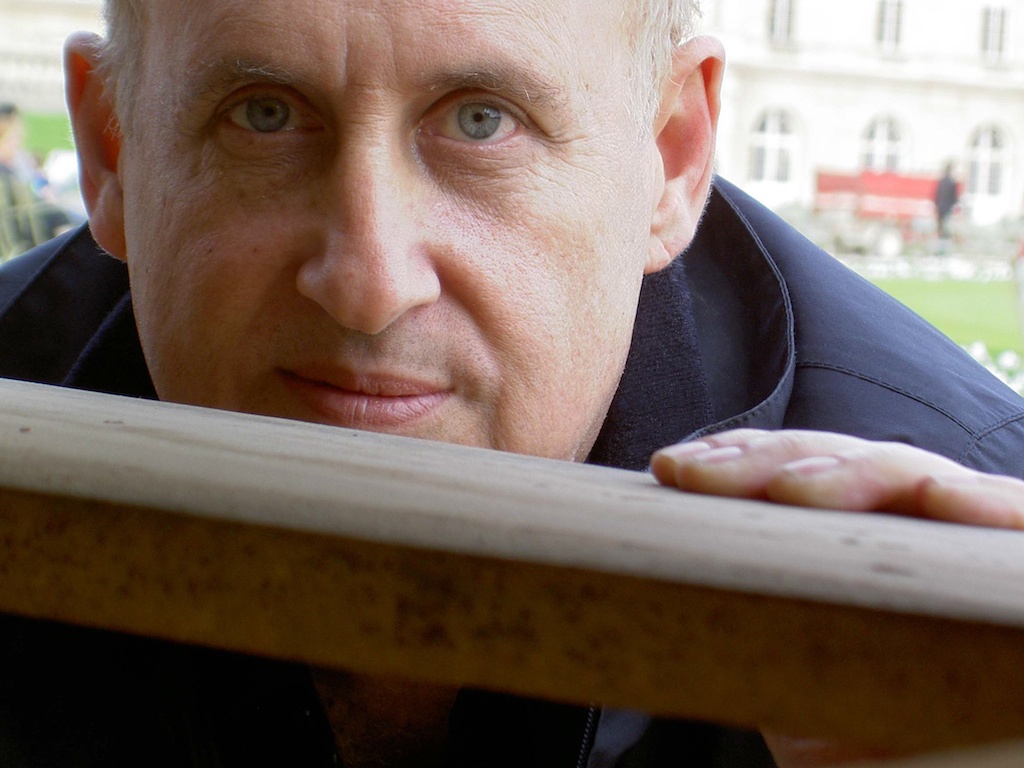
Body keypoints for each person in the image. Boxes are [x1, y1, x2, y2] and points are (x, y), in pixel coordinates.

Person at [1, 0, 1024, 766]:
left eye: (482, 122)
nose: (369, 283)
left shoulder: (974, 558)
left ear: (671, 158)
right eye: (263, 116)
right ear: (111, 147)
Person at [933, 162, 959, 245]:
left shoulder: (941, 181)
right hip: (947, 207)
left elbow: (936, 195)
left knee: (940, 225)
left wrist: (936, 204)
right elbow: (954, 197)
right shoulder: (952, 182)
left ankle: (941, 240)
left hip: (940, 206)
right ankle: (945, 240)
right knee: (946, 225)